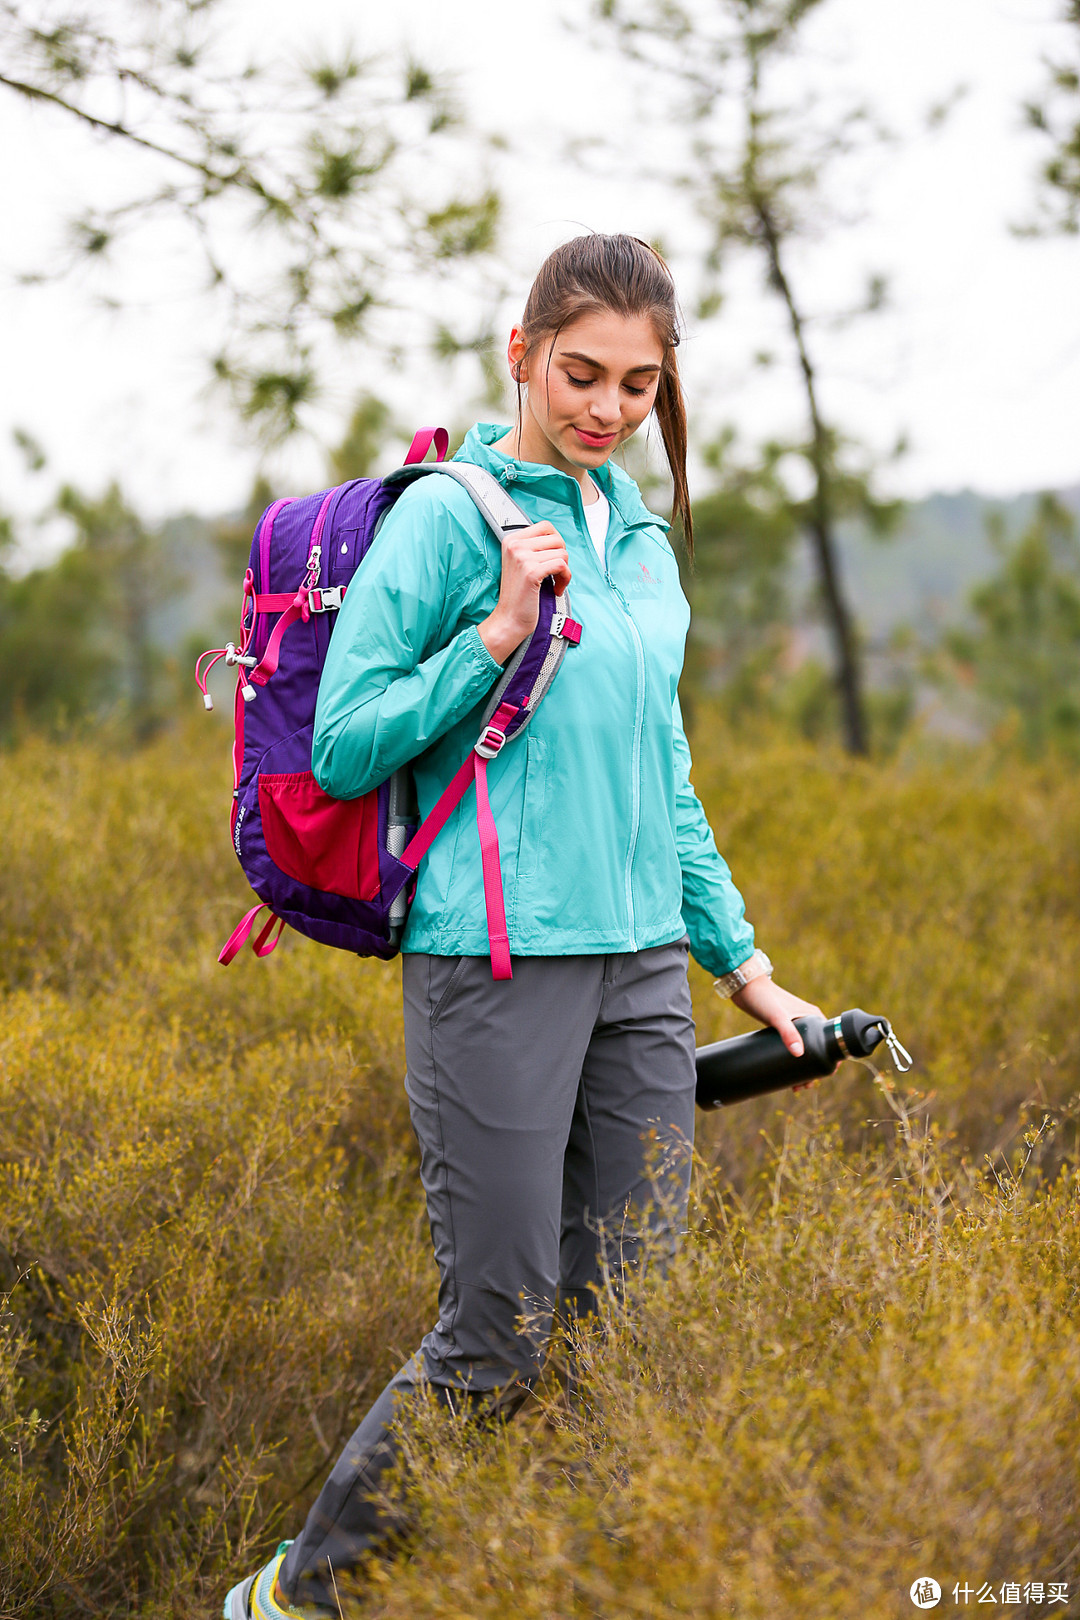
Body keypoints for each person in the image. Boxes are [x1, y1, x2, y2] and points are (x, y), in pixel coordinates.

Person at [225, 232, 824, 1620]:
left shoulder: (646, 543)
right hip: (487, 971)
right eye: (579, 374)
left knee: (631, 1331)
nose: (606, 409)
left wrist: (742, 962)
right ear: (521, 352)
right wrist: (493, 633)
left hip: (641, 972)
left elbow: (659, 770)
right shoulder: (451, 517)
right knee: (496, 1332)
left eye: (636, 385)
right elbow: (345, 739)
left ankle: (558, 1586)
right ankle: (297, 1600)